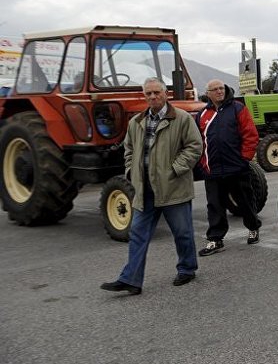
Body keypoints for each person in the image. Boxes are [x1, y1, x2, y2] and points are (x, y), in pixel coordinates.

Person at [101, 77, 203, 295]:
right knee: (137, 234)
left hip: (173, 187)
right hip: (144, 189)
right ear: (144, 96)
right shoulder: (136, 122)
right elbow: (128, 150)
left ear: (166, 94)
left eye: (157, 92)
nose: (153, 97)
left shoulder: (182, 119)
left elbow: (195, 147)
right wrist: (131, 171)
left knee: (182, 232)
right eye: (148, 93)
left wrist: (175, 169)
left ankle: (187, 268)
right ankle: (131, 280)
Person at [196, 79, 261, 256]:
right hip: (212, 170)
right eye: (214, 89)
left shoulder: (238, 108)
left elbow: (251, 134)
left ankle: (253, 227)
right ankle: (215, 240)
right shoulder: (202, 114)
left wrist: (244, 159)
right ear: (208, 93)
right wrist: (202, 162)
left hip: (236, 168)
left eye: (221, 88)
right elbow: (197, 141)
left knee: (245, 202)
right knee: (215, 205)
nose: (219, 92)